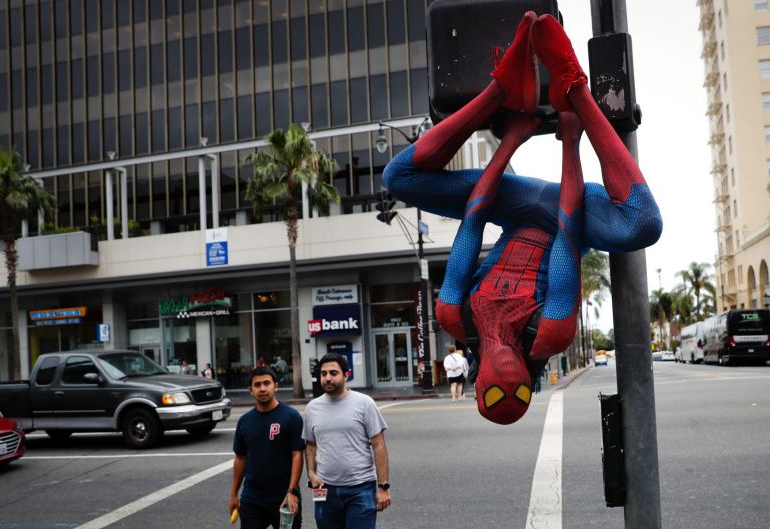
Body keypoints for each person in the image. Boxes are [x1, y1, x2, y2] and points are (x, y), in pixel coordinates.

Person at [383, 13, 662, 425]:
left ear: (478, 384)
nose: (507, 383)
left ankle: (501, 89)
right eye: (517, 393)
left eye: (494, 392)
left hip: (509, 205)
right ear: (531, 386)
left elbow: (474, 218)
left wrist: (510, 140)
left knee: (398, 177)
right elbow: (568, 230)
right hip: (572, 208)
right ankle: (575, 85)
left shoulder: (454, 317)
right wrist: (571, 138)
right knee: (643, 226)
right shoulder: (550, 332)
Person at [302, 353, 391, 529]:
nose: (327, 378)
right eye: (323, 373)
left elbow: (378, 444)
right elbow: (311, 445)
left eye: (333, 373)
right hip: (324, 489)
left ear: (346, 375)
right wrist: (311, 473)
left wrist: (383, 486)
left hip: (361, 488)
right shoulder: (312, 408)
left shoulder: (364, 403)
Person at [229, 366, 305, 529]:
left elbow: (297, 455)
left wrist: (291, 492)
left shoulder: (291, 417)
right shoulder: (244, 421)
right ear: (250, 390)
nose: (262, 388)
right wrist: (234, 495)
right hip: (252, 499)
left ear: (275, 386)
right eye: (257, 385)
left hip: (285, 499)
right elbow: (240, 458)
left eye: (266, 383)